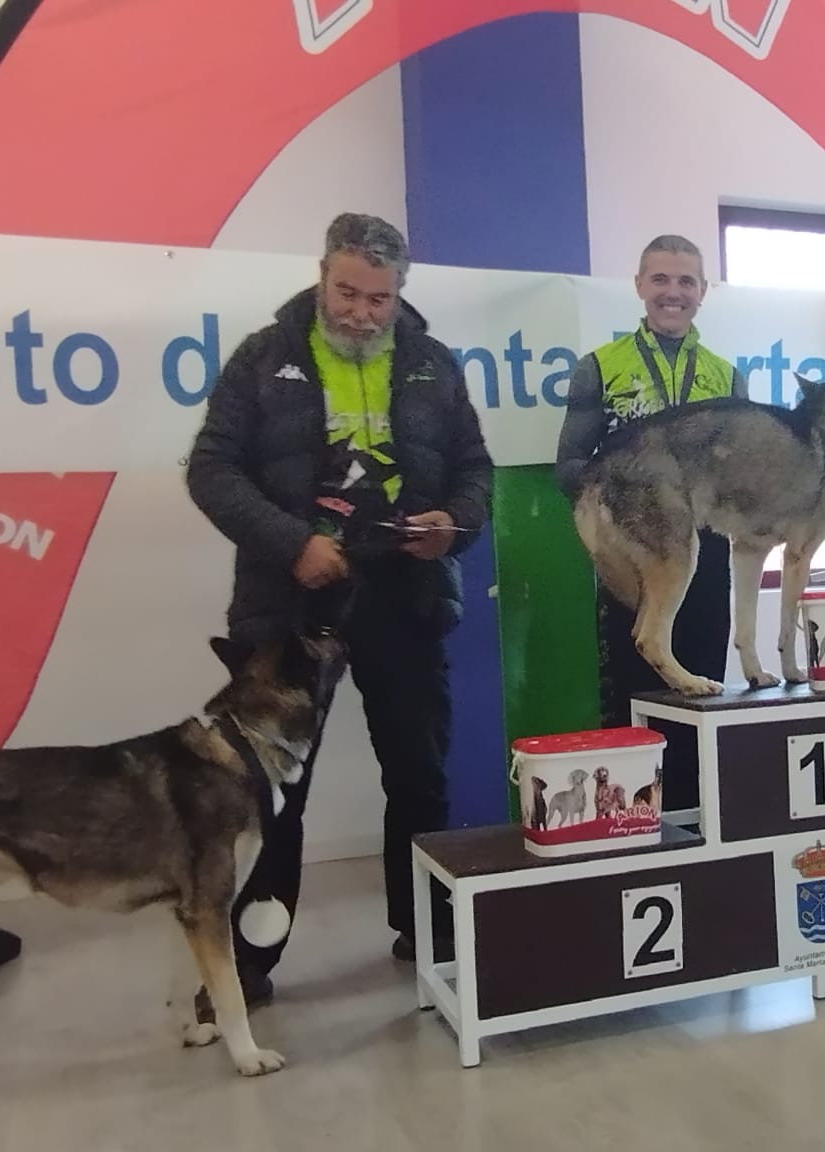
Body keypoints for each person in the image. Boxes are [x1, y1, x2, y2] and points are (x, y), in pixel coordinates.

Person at [186, 212, 494, 998]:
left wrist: (453, 526)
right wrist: (293, 542)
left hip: (404, 595)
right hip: (288, 601)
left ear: (400, 295)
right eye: (347, 292)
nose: (360, 311)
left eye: (378, 299)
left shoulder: (434, 364)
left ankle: (424, 932)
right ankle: (249, 962)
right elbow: (211, 470)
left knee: (420, 776)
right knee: (271, 787)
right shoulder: (264, 358)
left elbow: (475, 472)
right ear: (322, 274)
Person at [555, 234, 745, 784]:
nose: (672, 292)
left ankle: (700, 831)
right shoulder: (600, 367)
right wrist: (621, 508)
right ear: (639, 285)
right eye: (660, 279)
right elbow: (568, 465)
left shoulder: (726, 377)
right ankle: (632, 833)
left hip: (705, 556)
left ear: (703, 291)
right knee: (631, 694)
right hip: (633, 552)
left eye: (686, 281)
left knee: (702, 696)